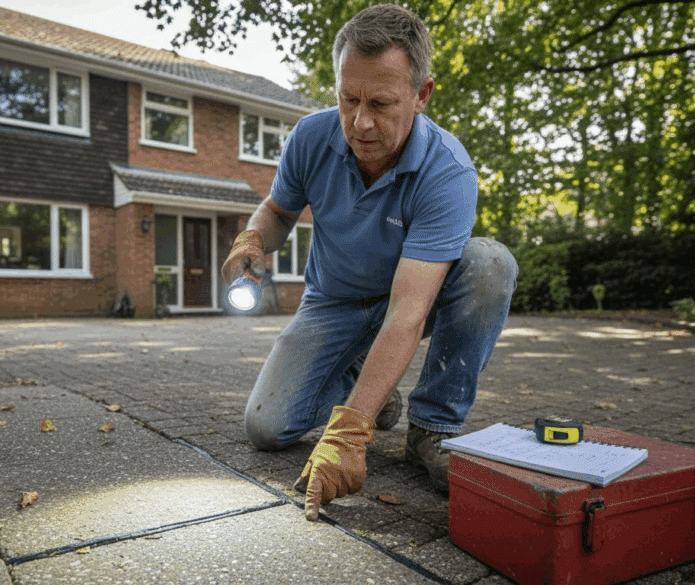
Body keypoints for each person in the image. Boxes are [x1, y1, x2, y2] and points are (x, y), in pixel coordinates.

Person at [221, 3, 518, 522]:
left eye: (381, 103)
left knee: (489, 262)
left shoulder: (448, 172)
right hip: (331, 301)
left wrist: (349, 432)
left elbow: (409, 310)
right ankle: (373, 390)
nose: (360, 122)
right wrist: (252, 238)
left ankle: (434, 429)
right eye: (348, 99)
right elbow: (277, 209)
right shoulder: (310, 138)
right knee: (266, 429)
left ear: (421, 95)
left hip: (404, 303)